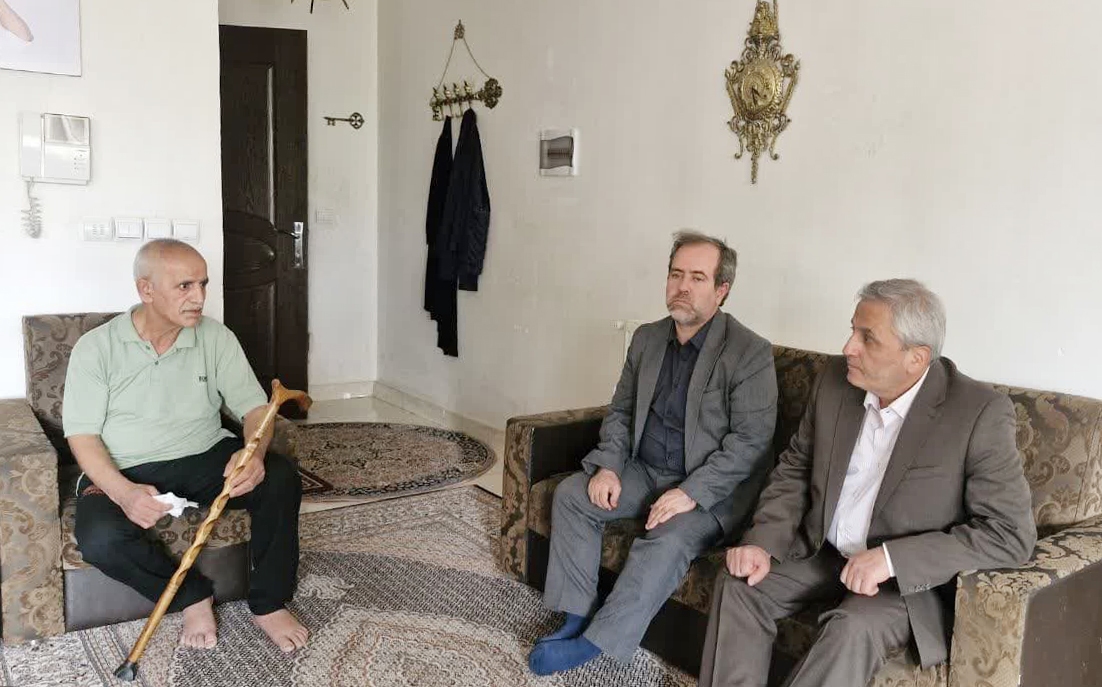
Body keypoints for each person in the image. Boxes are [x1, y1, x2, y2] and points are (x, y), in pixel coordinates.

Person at [698, 279, 1037, 687]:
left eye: (867, 338)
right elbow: (797, 466)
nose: (848, 348)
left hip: (900, 584)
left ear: (916, 358)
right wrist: (763, 541)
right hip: (822, 551)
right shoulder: (834, 380)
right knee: (740, 583)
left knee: (851, 628)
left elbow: (1009, 534)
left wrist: (891, 559)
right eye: (852, 331)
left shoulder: (978, 413)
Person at [529, 231, 778, 675]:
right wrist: (608, 467)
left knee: (667, 539)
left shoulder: (749, 353)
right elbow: (621, 411)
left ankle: (597, 641)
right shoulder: (647, 339)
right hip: (644, 469)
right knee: (572, 495)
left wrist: (690, 493)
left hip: (708, 489)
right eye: (675, 274)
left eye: (697, 278)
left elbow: (750, 443)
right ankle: (575, 613)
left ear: (722, 290)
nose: (682, 286)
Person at [63, 239, 308, 652]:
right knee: (101, 539)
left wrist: (253, 453)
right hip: (124, 467)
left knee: (280, 477)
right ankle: (192, 597)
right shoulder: (96, 347)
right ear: (146, 289)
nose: (199, 297)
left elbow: (254, 409)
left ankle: (269, 602)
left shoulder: (215, 337)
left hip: (203, 455)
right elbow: (82, 437)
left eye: (203, 284)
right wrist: (123, 493)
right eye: (184, 286)